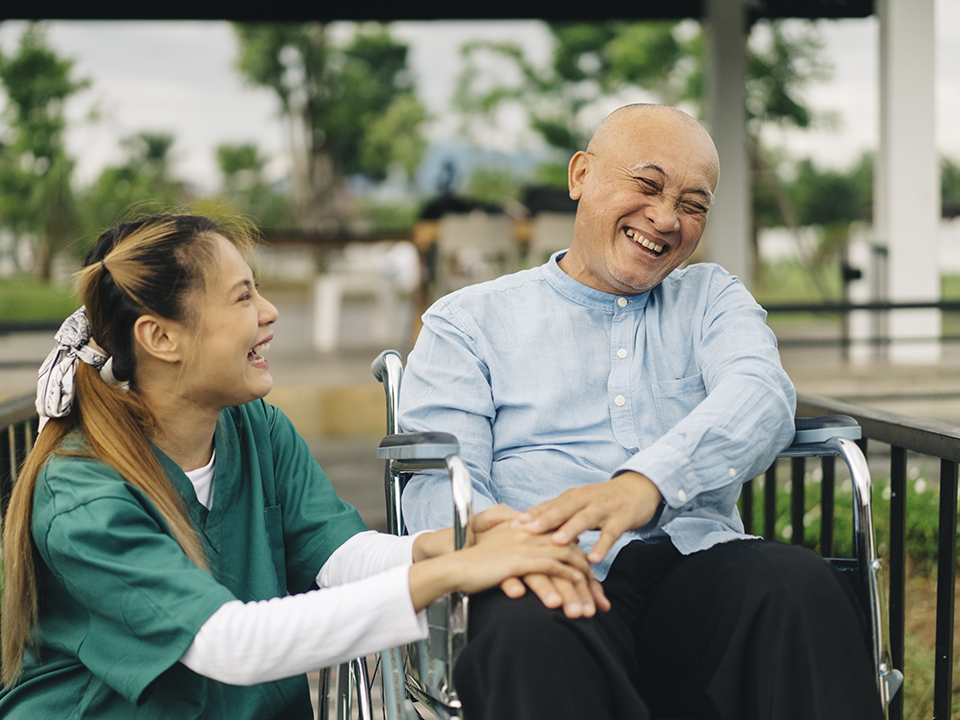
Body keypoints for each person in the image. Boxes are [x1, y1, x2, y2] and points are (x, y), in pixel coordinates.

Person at [0, 214, 600, 719]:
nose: (269, 312)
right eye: (242, 296)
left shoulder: (254, 428)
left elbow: (336, 553)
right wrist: (451, 573)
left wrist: (448, 545)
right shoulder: (82, 495)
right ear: (160, 337)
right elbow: (228, 642)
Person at [399, 104, 884, 720]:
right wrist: (513, 548)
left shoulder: (710, 298)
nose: (666, 218)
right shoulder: (468, 322)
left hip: (697, 567)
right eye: (648, 186)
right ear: (581, 176)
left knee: (796, 586)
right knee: (525, 632)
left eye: (693, 205)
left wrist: (646, 484)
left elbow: (761, 393)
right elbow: (441, 485)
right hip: (549, 574)